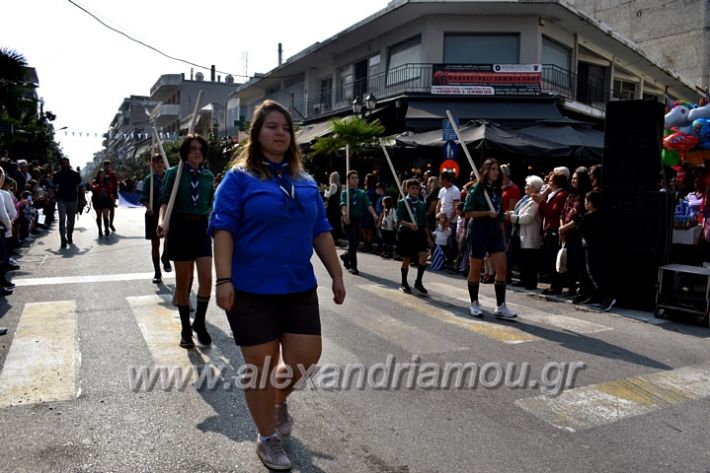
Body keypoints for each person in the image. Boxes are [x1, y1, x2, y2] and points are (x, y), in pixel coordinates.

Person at [209, 100, 345, 471]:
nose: (280, 132)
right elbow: (223, 229)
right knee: (260, 367)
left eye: (285, 127)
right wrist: (224, 279)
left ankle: (278, 399)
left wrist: (336, 272)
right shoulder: (239, 179)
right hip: (251, 289)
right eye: (272, 126)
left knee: (306, 358)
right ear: (257, 134)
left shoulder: (305, 181)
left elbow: (321, 229)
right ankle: (267, 438)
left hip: (297, 285)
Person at [157, 134, 214, 349]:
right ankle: (185, 330)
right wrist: (163, 222)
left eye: (200, 148)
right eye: (192, 149)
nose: (197, 152)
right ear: (185, 152)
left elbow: (210, 204)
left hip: (201, 228)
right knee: (183, 282)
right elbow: (165, 202)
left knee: (207, 278)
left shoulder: (208, 176)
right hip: (180, 228)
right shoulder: (174, 174)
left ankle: (199, 322)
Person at [463, 158, 517, 319]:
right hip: (478, 229)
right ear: (486, 170)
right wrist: (486, 213)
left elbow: (500, 216)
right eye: (493, 169)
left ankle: (501, 306)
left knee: (502, 268)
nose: (496, 172)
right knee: (476, 267)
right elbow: (467, 212)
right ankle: (474, 303)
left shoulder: (496, 190)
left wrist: (503, 236)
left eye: (497, 169)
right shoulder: (476, 188)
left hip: (495, 231)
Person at [532, 172, 569, 295]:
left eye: (551, 180)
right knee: (549, 259)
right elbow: (544, 212)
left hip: (554, 229)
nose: (549, 182)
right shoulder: (551, 195)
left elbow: (554, 212)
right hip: (548, 228)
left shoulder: (561, 194)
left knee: (554, 259)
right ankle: (554, 284)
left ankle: (556, 286)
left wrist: (541, 202)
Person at [579, 191, 616, 311]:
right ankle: (603, 297)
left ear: (590, 203)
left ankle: (608, 298)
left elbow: (580, 229)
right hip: (603, 247)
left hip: (592, 248)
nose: (585, 203)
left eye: (586, 201)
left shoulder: (588, 216)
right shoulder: (604, 215)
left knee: (594, 273)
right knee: (602, 272)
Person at [505, 175, 543, 289]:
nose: (525, 187)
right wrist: (511, 213)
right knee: (523, 258)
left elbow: (527, 218)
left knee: (530, 259)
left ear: (535, 188)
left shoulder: (534, 201)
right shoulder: (524, 199)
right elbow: (519, 212)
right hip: (520, 233)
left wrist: (511, 217)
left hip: (530, 234)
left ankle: (530, 282)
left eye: (528, 185)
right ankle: (523, 279)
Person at [140, 153, 171, 284]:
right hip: (153, 214)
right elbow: (144, 197)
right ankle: (157, 271)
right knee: (155, 243)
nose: (159, 164)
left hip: (167, 213)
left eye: (161, 162)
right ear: (152, 165)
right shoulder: (149, 179)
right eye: (156, 162)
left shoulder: (169, 177)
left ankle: (166, 256)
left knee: (169, 238)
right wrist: (148, 207)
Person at [396, 179, 431, 295]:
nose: (415, 191)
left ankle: (418, 281)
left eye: (417, 188)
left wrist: (428, 237)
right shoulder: (403, 202)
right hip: (407, 232)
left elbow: (425, 222)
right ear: (407, 189)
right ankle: (404, 282)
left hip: (419, 232)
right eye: (412, 188)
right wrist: (410, 224)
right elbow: (399, 220)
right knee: (407, 258)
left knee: (423, 255)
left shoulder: (421, 204)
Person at [339, 170, 377, 275]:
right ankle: (353, 266)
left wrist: (374, 214)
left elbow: (368, 204)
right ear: (348, 180)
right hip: (348, 220)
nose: (355, 180)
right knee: (352, 242)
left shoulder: (362, 193)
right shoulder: (345, 192)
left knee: (355, 243)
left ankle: (346, 256)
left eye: (356, 178)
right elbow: (343, 205)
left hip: (358, 220)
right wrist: (345, 215)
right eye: (352, 178)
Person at [52, 157, 84, 248]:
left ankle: (69, 235)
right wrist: (50, 196)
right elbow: (52, 186)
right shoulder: (57, 175)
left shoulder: (75, 174)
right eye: (63, 163)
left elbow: (81, 187)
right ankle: (63, 238)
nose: (65, 165)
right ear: (61, 164)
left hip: (73, 200)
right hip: (61, 200)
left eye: (66, 163)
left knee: (71, 220)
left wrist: (83, 199)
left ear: (69, 163)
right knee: (62, 219)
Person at [323, 171, 343, 241]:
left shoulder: (333, 185)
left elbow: (328, 195)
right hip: (336, 206)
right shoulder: (339, 186)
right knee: (335, 222)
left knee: (331, 222)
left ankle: (333, 238)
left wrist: (325, 189)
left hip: (332, 207)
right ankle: (336, 238)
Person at [103, 160, 118, 232]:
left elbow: (115, 185)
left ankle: (111, 224)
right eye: (105, 165)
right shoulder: (101, 173)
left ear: (109, 166)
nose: (106, 166)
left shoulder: (112, 174)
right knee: (105, 211)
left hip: (111, 195)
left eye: (108, 165)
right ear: (103, 166)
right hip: (103, 195)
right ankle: (106, 226)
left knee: (112, 210)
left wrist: (115, 195)